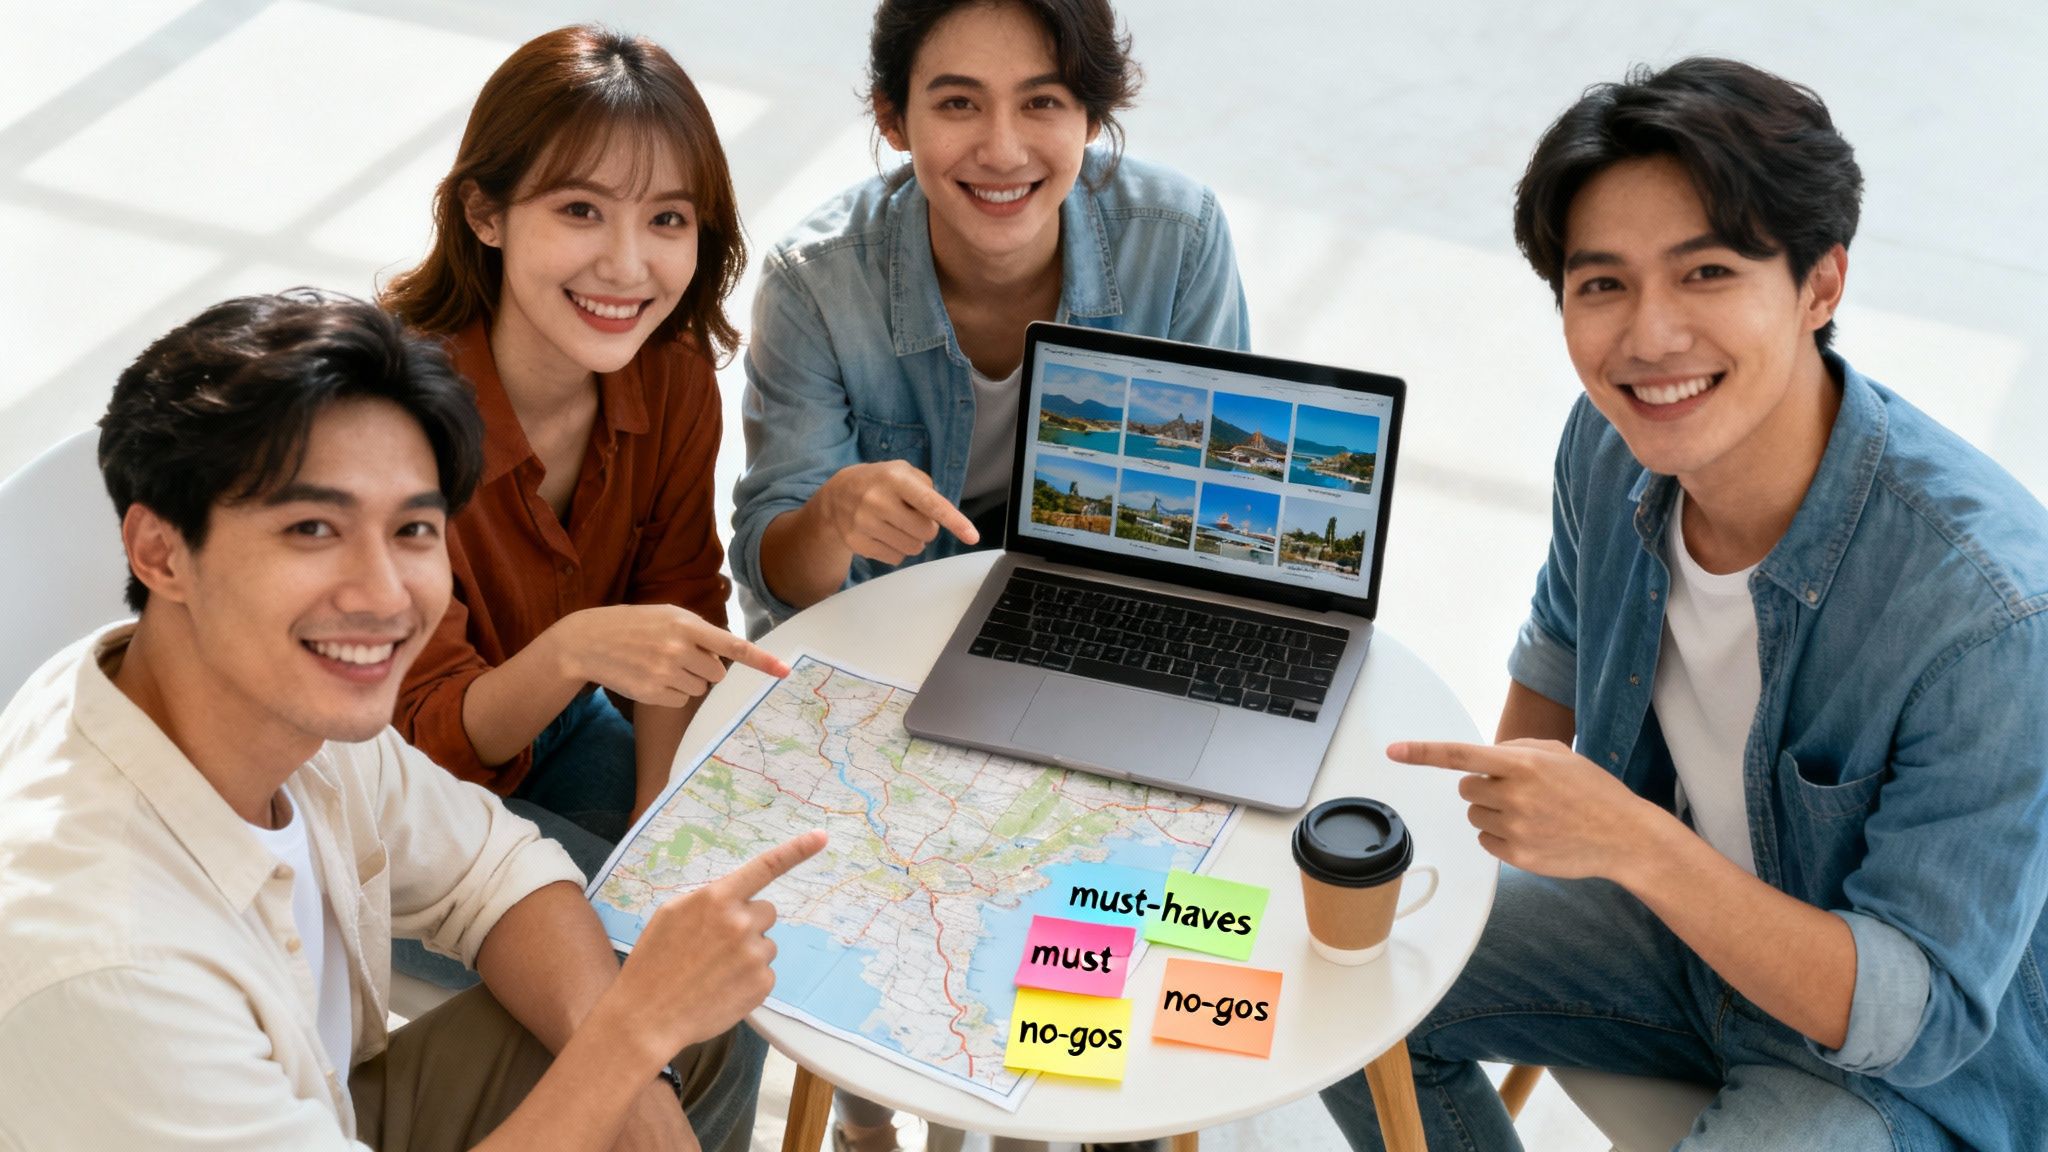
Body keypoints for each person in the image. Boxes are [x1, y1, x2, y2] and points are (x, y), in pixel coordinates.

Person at [1318, 58, 2048, 1151]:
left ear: (1819, 285)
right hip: (1665, 938)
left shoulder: (1990, 615)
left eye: (1704, 272)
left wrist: (1636, 847)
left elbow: (1915, 1014)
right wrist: (1473, 874)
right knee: (1346, 975)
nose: (1647, 339)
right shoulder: (1608, 444)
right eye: (1599, 283)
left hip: (1892, 1072)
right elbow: (1557, 660)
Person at [0, 291, 826, 1151]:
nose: (384, 595)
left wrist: (644, 1088)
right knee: (649, 1017)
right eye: (313, 527)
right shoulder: (108, 963)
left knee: (694, 1018)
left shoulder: (268, 702)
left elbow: (496, 870)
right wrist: (628, 1043)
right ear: (160, 551)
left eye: (414, 529)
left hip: (324, 1101)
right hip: (216, 1096)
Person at [381, 25, 786, 895]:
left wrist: (658, 829)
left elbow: (679, 608)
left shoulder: (670, 374)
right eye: (580, 210)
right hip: (385, 803)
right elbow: (426, 736)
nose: (628, 265)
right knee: (652, 993)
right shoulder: (386, 422)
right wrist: (570, 654)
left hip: (555, 730)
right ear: (484, 213)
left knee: (731, 916)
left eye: (667, 218)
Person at [731, 0, 1251, 636]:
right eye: (958, 103)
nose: (1003, 153)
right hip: (881, 634)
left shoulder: (1179, 240)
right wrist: (830, 518)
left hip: (1089, 620)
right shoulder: (814, 282)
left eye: (1042, 102)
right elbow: (780, 588)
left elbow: (1206, 516)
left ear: (1091, 116)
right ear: (893, 119)